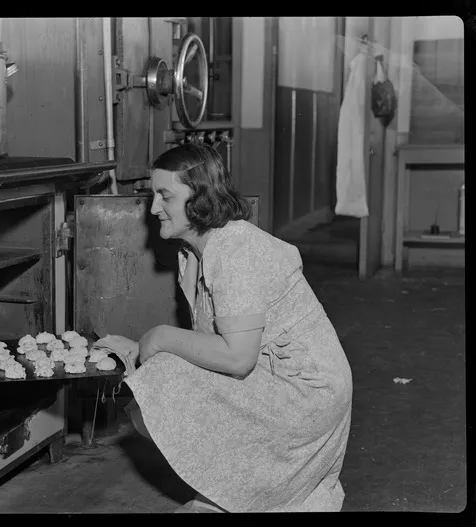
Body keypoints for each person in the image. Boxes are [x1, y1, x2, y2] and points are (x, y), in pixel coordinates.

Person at [123, 143, 353, 513]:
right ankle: (233, 490)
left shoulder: (235, 251)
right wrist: (137, 345)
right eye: (153, 196)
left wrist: (161, 337)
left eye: (165, 196)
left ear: (199, 198)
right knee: (157, 380)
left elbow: (238, 359)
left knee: (164, 374)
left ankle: (247, 491)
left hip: (306, 396)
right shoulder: (195, 251)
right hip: (276, 379)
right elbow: (215, 342)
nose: (153, 209)